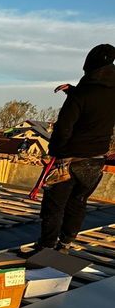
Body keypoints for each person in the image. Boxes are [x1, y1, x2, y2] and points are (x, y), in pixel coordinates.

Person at [30, 43, 115, 254]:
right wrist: (74, 91)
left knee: (54, 206)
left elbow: (64, 128)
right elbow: (97, 105)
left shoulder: (81, 95)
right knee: (78, 202)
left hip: (69, 159)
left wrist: (56, 152)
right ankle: (65, 245)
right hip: (96, 160)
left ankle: (46, 248)